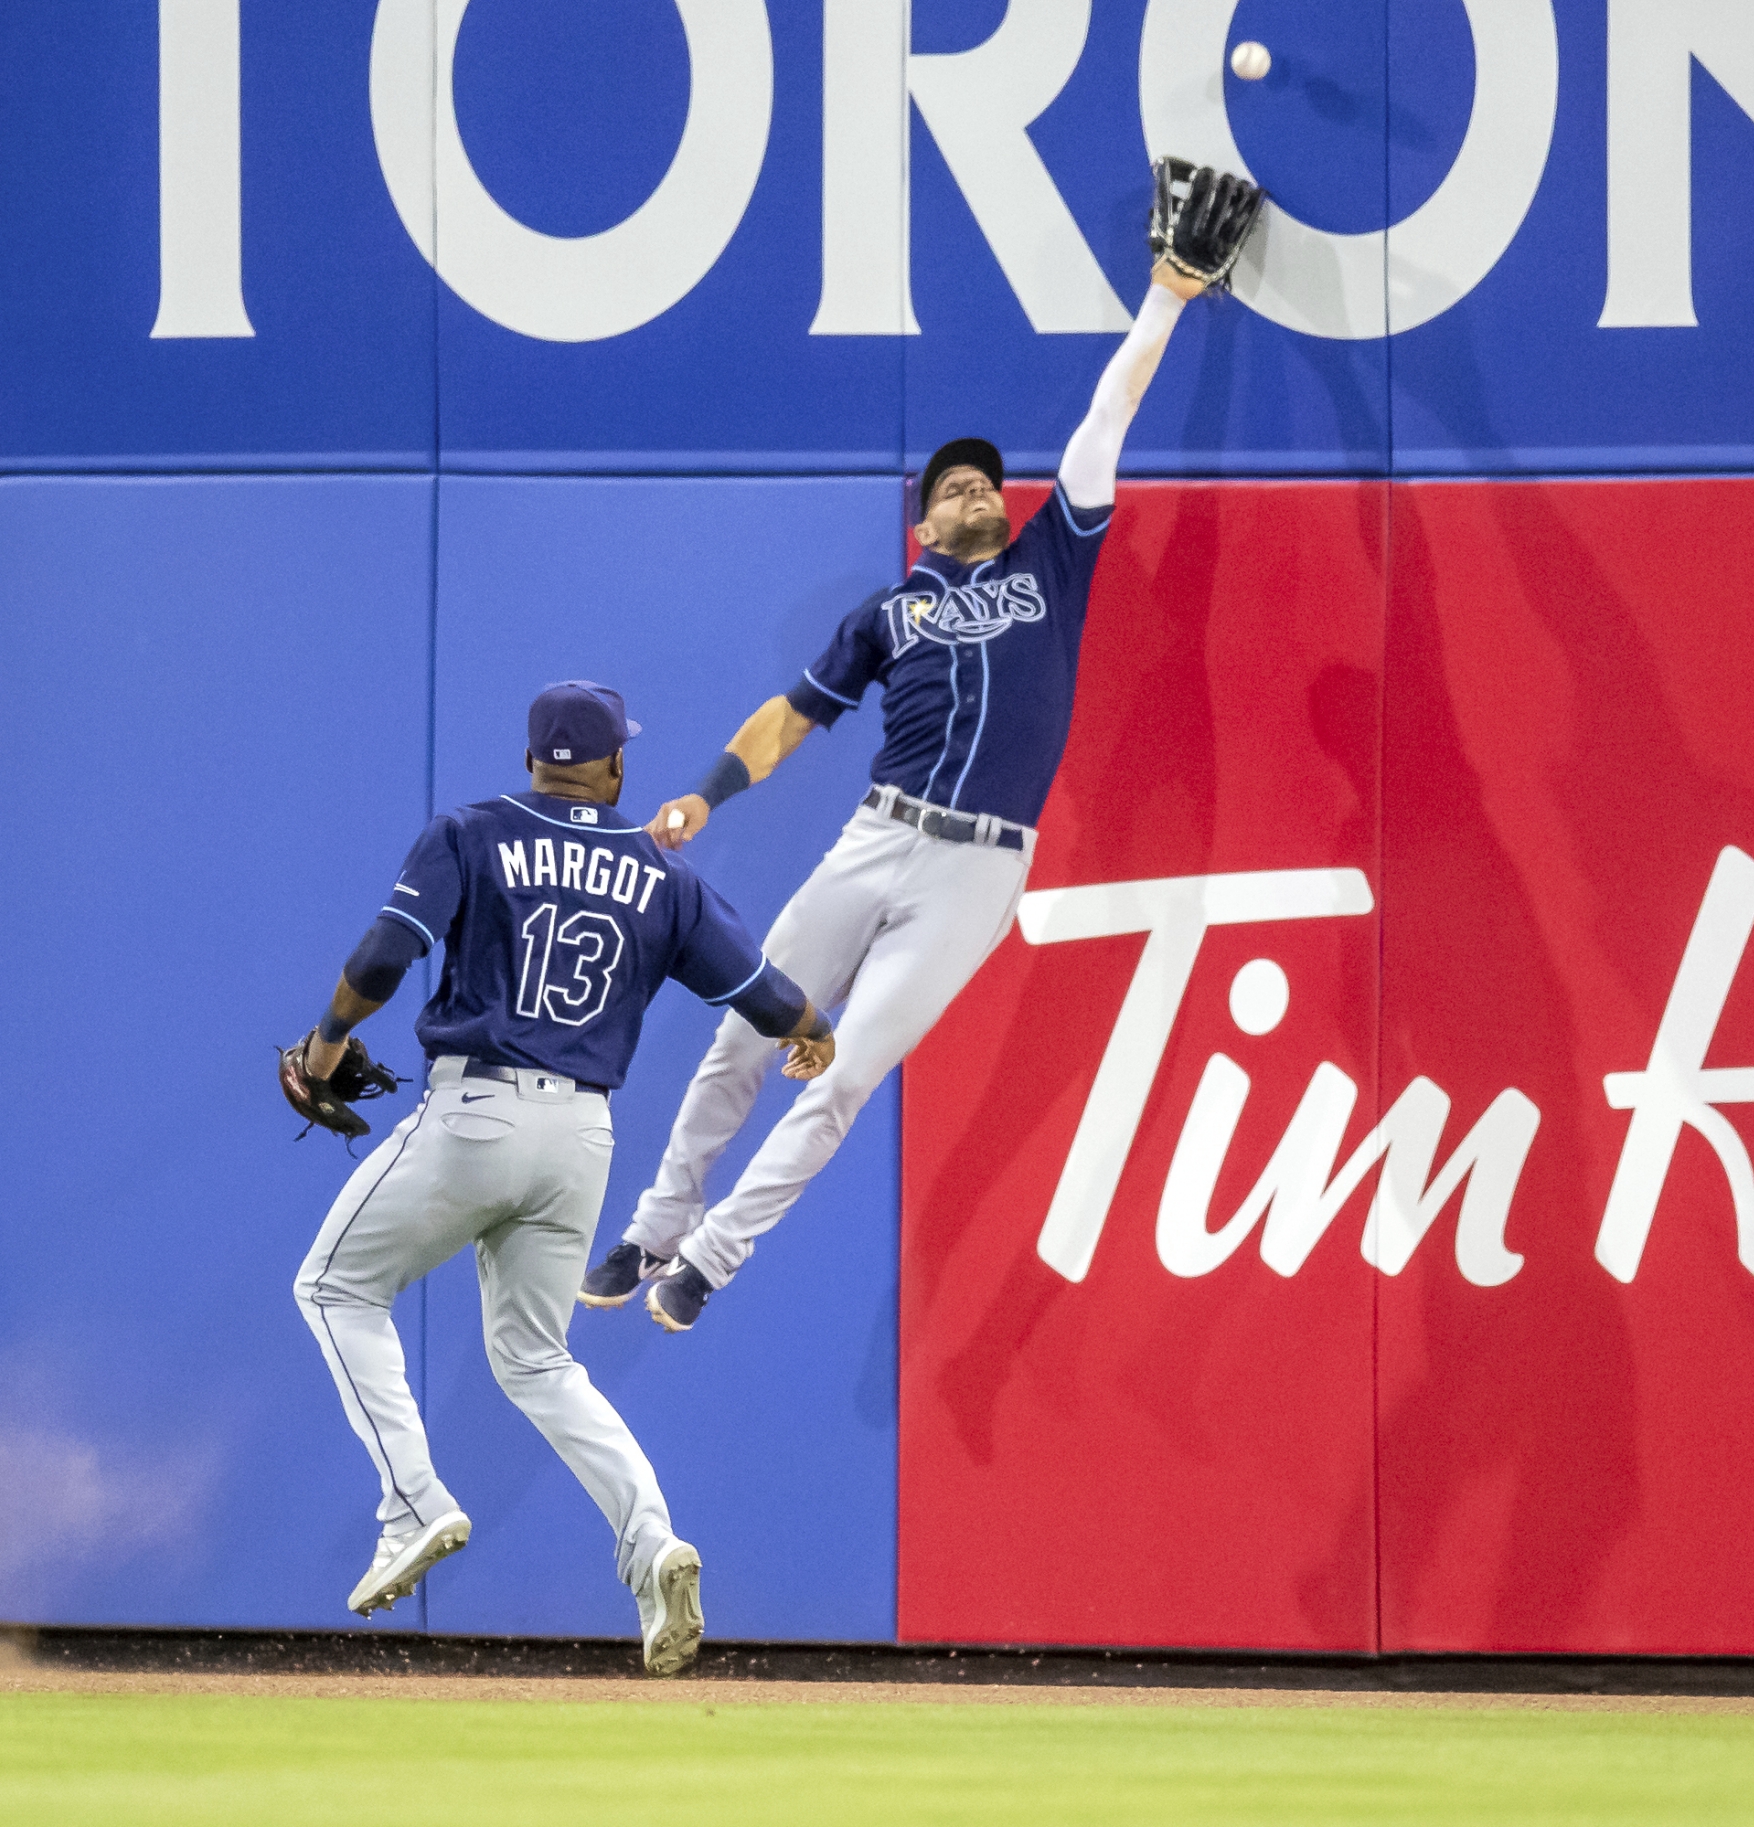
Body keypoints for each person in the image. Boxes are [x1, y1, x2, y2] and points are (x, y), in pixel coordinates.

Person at [584, 227, 1234, 1335]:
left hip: (977, 868)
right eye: (954, 486)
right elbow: (792, 716)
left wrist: (1165, 300)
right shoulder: (888, 613)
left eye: (985, 480)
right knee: (744, 1034)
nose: (977, 487)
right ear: (922, 521)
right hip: (876, 837)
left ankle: (711, 1255)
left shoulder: (1050, 563)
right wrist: (704, 792)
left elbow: (1103, 418)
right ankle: (654, 1224)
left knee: (843, 1074)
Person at [284, 679, 833, 1674]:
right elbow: (765, 994)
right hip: (581, 1138)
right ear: (616, 765)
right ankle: (652, 1545)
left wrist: (325, 1044)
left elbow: (382, 955)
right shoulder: (661, 874)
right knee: (537, 1362)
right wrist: (814, 1033)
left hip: (476, 1110)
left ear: (533, 758)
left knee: (331, 1287)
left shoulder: (473, 831)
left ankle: (412, 1497)